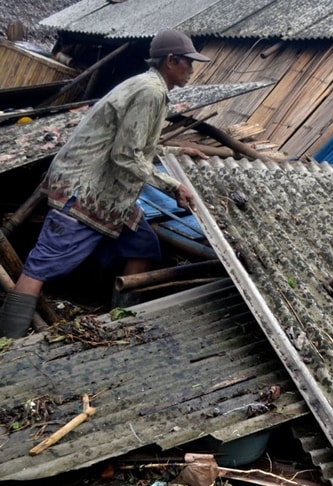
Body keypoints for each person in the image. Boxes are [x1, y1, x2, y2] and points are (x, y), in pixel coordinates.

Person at [0, 28, 211, 338]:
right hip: (84, 189)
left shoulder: (152, 88)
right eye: (188, 63)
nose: (191, 70)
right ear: (171, 61)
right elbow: (126, 155)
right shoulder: (149, 91)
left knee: (143, 245)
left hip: (109, 192)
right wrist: (171, 185)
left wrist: (178, 150)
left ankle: (118, 321)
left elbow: (136, 144)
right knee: (43, 264)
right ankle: (9, 342)